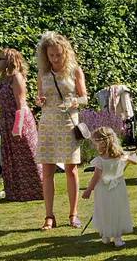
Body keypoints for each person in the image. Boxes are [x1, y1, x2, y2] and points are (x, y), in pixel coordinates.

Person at [35, 31, 89, 230]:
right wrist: (39, 101)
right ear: (46, 55)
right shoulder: (43, 73)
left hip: (67, 123)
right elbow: (40, 97)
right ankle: (49, 216)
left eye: (58, 55)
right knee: (47, 170)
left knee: (71, 169)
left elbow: (84, 97)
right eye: (51, 55)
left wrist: (74, 101)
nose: (55, 59)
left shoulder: (75, 71)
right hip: (48, 123)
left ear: (65, 53)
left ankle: (73, 214)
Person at [0, 48, 42, 201]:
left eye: (0, 59)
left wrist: (18, 127)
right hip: (6, 120)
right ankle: (16, 193)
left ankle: (37, 191)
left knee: (26, 155)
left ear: (9, 61)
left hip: (19, 120)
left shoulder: (16, 77)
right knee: (11, 157)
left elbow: (21, 103)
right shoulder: (3, 78)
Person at [82, 127, 136, 247]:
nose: (95, 145)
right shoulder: (120, 155)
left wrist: (89, 190)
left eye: (95, 142)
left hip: (104, 189)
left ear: (102, 143)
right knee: (116, 211)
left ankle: (107, 236)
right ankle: (116, 238)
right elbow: (134, 161)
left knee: (105, 211)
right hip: (118, 188)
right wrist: (129, 157)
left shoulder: (100, 160)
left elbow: (96, 177)